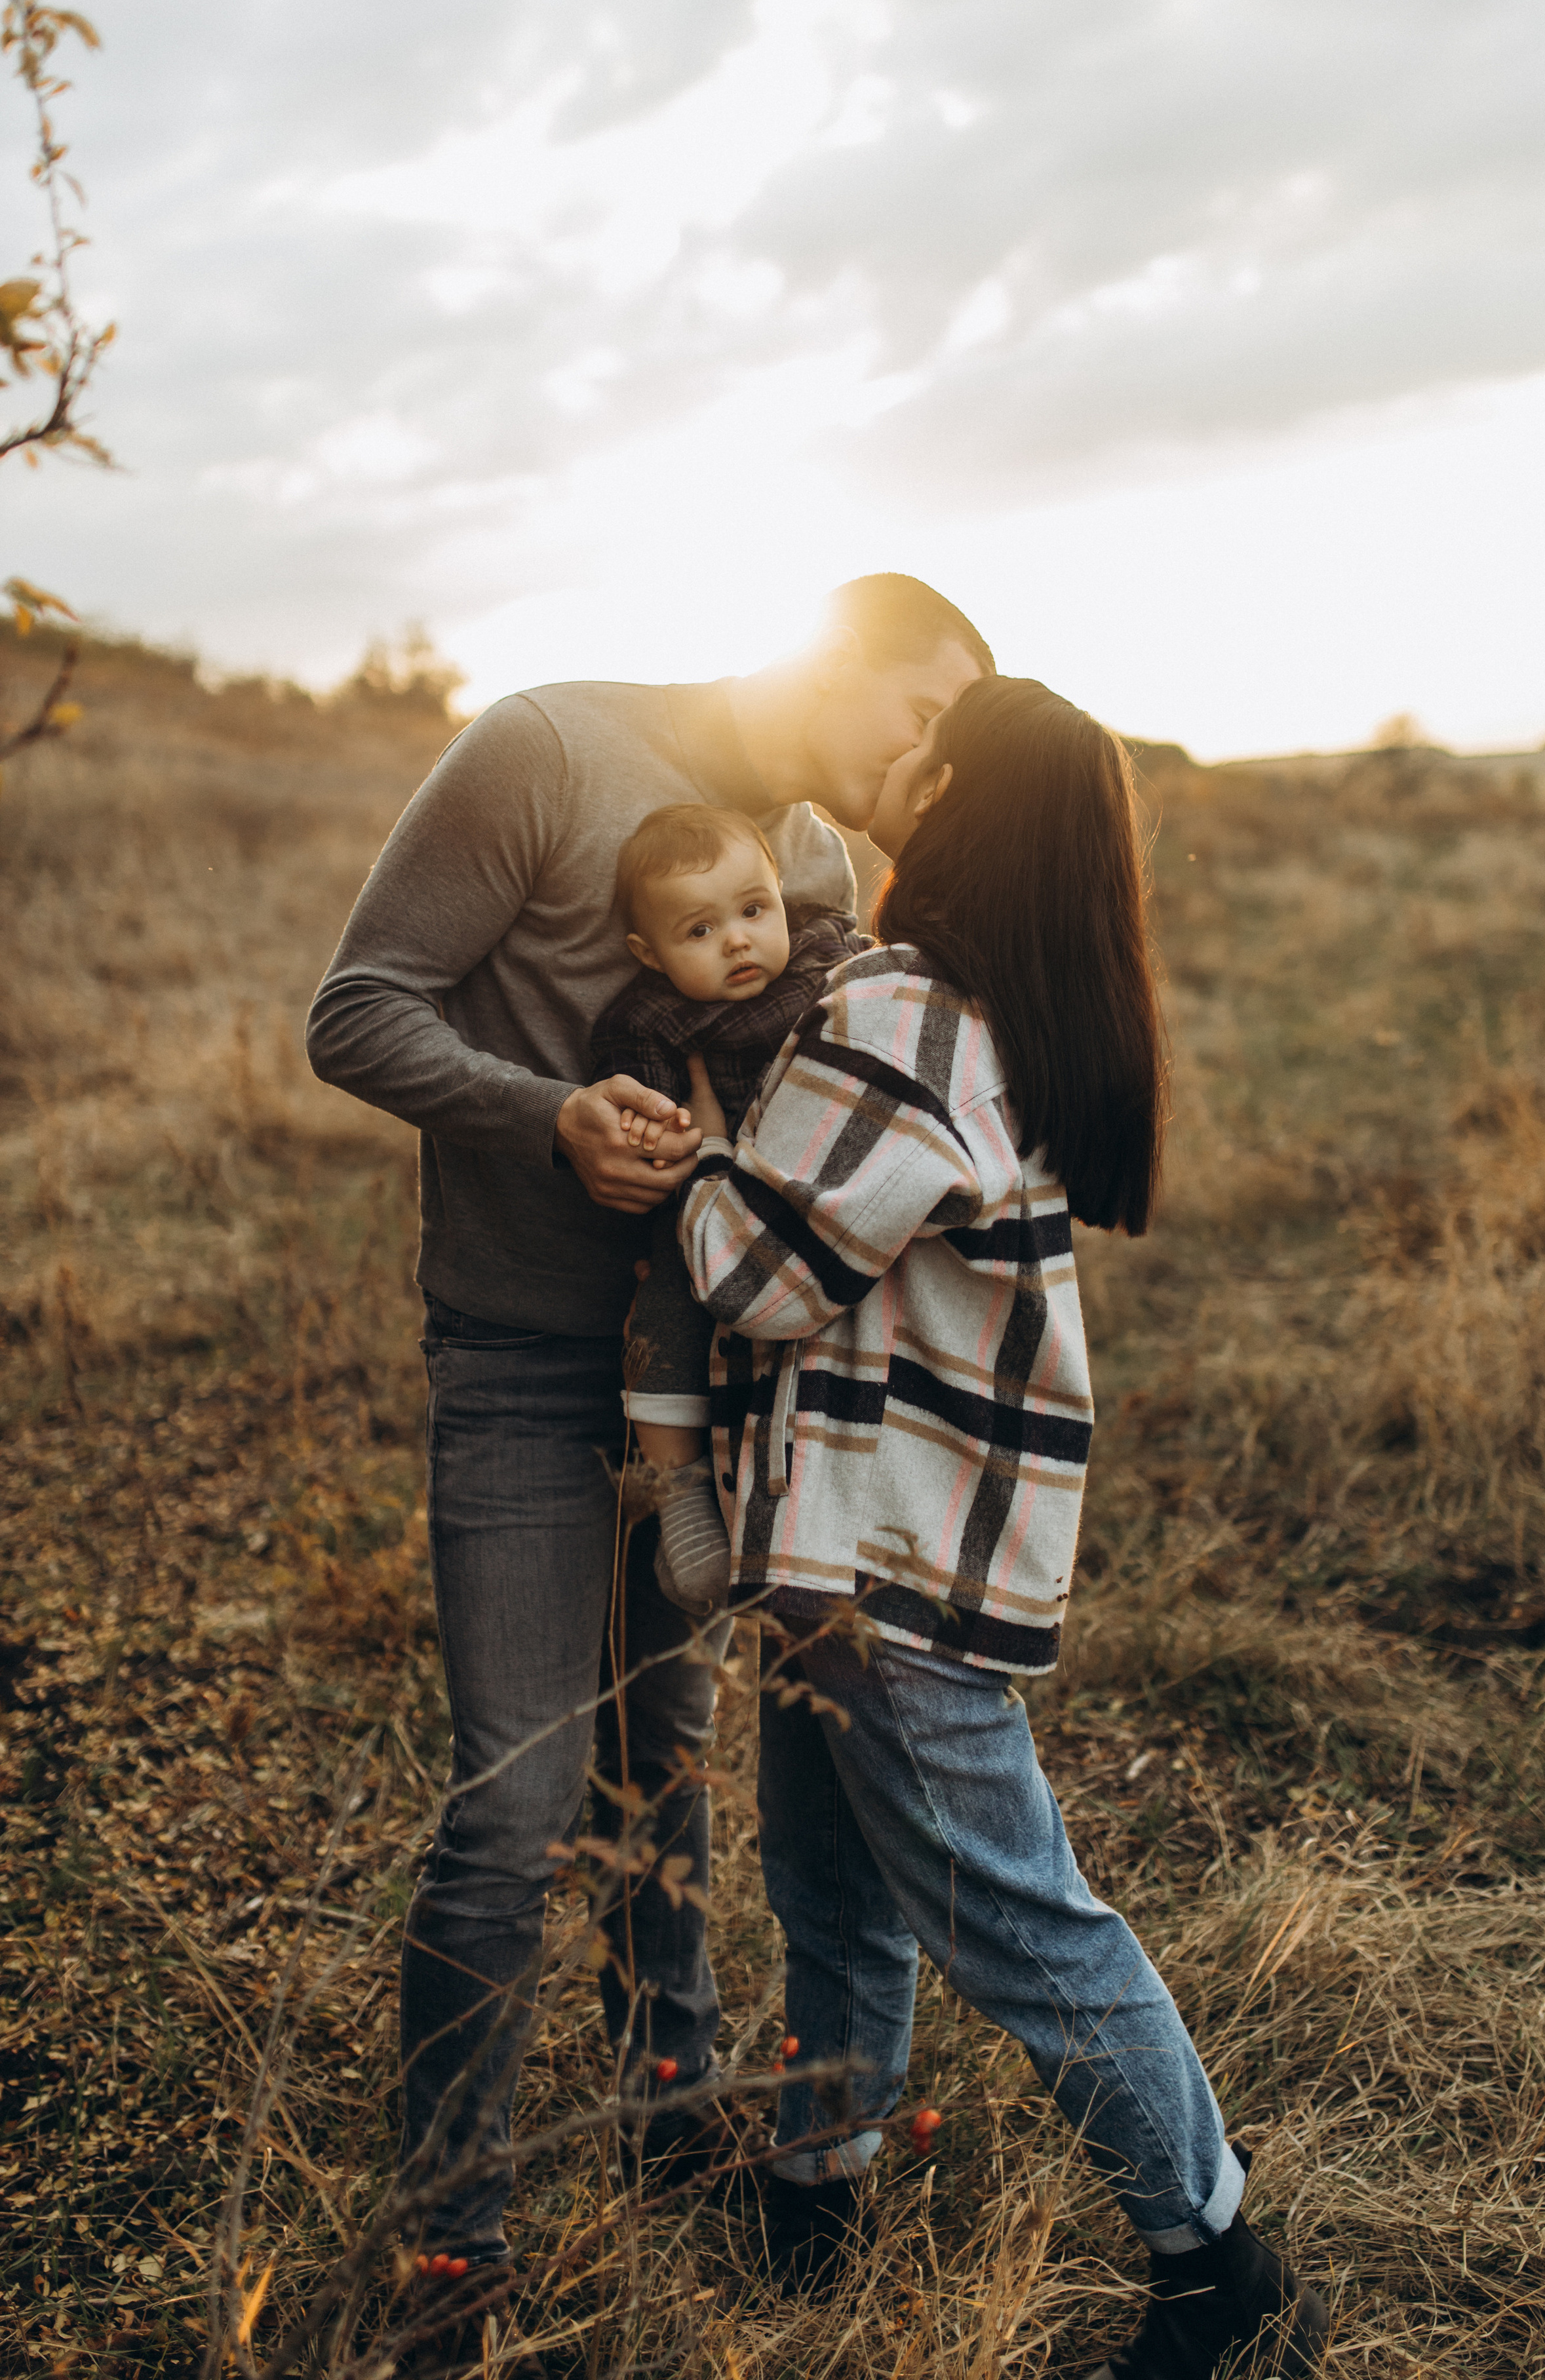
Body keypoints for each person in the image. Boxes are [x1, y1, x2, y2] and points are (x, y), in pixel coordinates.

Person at [303, 577, 992, 2327]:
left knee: (664, 1756)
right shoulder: (540, 749)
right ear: (832, 660)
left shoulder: (814, 870)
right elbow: (359, 1007)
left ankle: (666, 2099)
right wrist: (548, 1119)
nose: (924, 755)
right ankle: (454, 2231)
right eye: (914, 712)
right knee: (514, 1802)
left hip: (710, 1398)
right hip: (526, 1367)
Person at [676, 679, 1331, 2379]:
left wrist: (680, 1161)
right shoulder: (998, 1009)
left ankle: (1221, 2269)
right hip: (870, 1546)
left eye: (913, 737)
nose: (881, 745)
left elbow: (758, 1277)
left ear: (944, 784)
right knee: (831, 1890)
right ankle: (818, 2191)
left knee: (1022, 1920)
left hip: (890, 1559)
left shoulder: (904, 1007)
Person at [589, 803, 865, 1617]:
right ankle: (681, 1495)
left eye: (752, 911)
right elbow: (648, 1122)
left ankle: (816, 1501)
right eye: (699, 931)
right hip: (709, 1208)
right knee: (667, 1306)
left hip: (819, 1195)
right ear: (649, 953)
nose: (738, 940)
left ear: (782, 894)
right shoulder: (648, 1020)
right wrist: (662, 1135)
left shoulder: (831, 958)